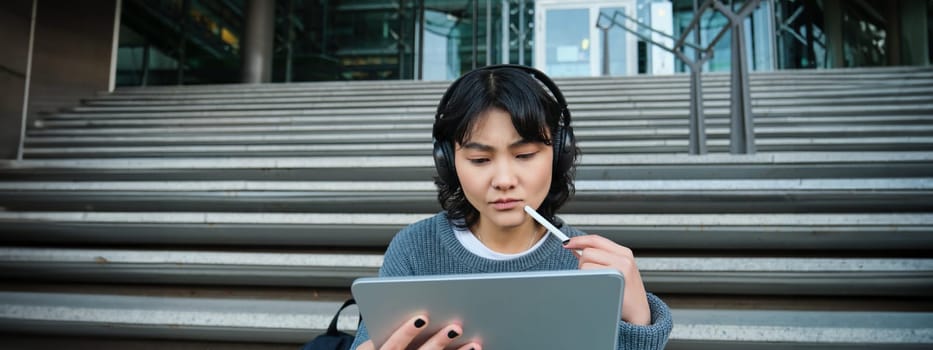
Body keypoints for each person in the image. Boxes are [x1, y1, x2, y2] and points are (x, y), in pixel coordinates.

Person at [350, 65, 673, 350]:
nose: (504, 180)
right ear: (448, 163)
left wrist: (638, 323)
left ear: (558, 155)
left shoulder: (592, 269)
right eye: (480, 160)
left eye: (525, 155)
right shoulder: (414, 249)